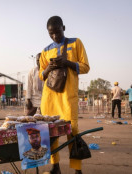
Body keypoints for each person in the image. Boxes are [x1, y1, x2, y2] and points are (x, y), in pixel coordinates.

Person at [39, 16, 90, 174]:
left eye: (57, 32)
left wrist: (66, 63)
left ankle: (77, 169)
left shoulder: (76, 43)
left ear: (64, 28)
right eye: (51, 34)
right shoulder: (45, 50)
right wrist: (49, 68)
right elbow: (42, 75)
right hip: (50, 98)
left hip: (68, 97)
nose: (55, 36)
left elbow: (85, 67)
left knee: (72, 131)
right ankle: (56, 167)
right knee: (51, 133)